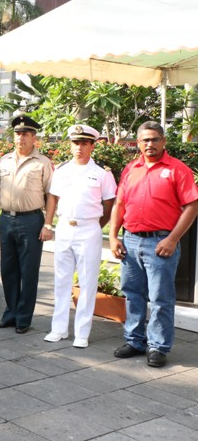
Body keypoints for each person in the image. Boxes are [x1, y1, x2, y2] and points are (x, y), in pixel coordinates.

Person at [109, 121, 198, 367]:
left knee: (161, 297)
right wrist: (114, 236)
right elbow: (119, 204)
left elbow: (192, 205)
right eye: (145, 140)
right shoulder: (131, 168)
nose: (150, 144)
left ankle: (158, 346)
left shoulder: (178, 169)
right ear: (138, 143)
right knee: (132, 294)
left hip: (160, 243)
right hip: (131, 241)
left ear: (163, 141)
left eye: (155, 139)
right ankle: (135, 340)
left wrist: (172, 239)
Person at [43, 125, 116, 347]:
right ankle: (59, 328)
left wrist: (96, 225)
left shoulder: (102, 173)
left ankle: (82, 333)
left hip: (89, 229)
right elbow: (53, 198)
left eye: (84, 143)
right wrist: (48, 223)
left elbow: (109, 203)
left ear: (93, 146)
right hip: (65, 227)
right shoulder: (62, 170)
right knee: (62, 280)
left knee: (87, 281)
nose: (79, 148)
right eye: (76, 143)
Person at [0, 114, 53, 333]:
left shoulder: (42, 163)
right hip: (7, 219)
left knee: (29, 271)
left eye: (25, 134)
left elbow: (51, 195)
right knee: (8, 271)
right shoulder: (4, 160)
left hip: (31, 220)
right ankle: (11, 314)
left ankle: (24, 318)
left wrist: (48, 224)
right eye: (17, 134)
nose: (21, 138)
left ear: (34, 137)